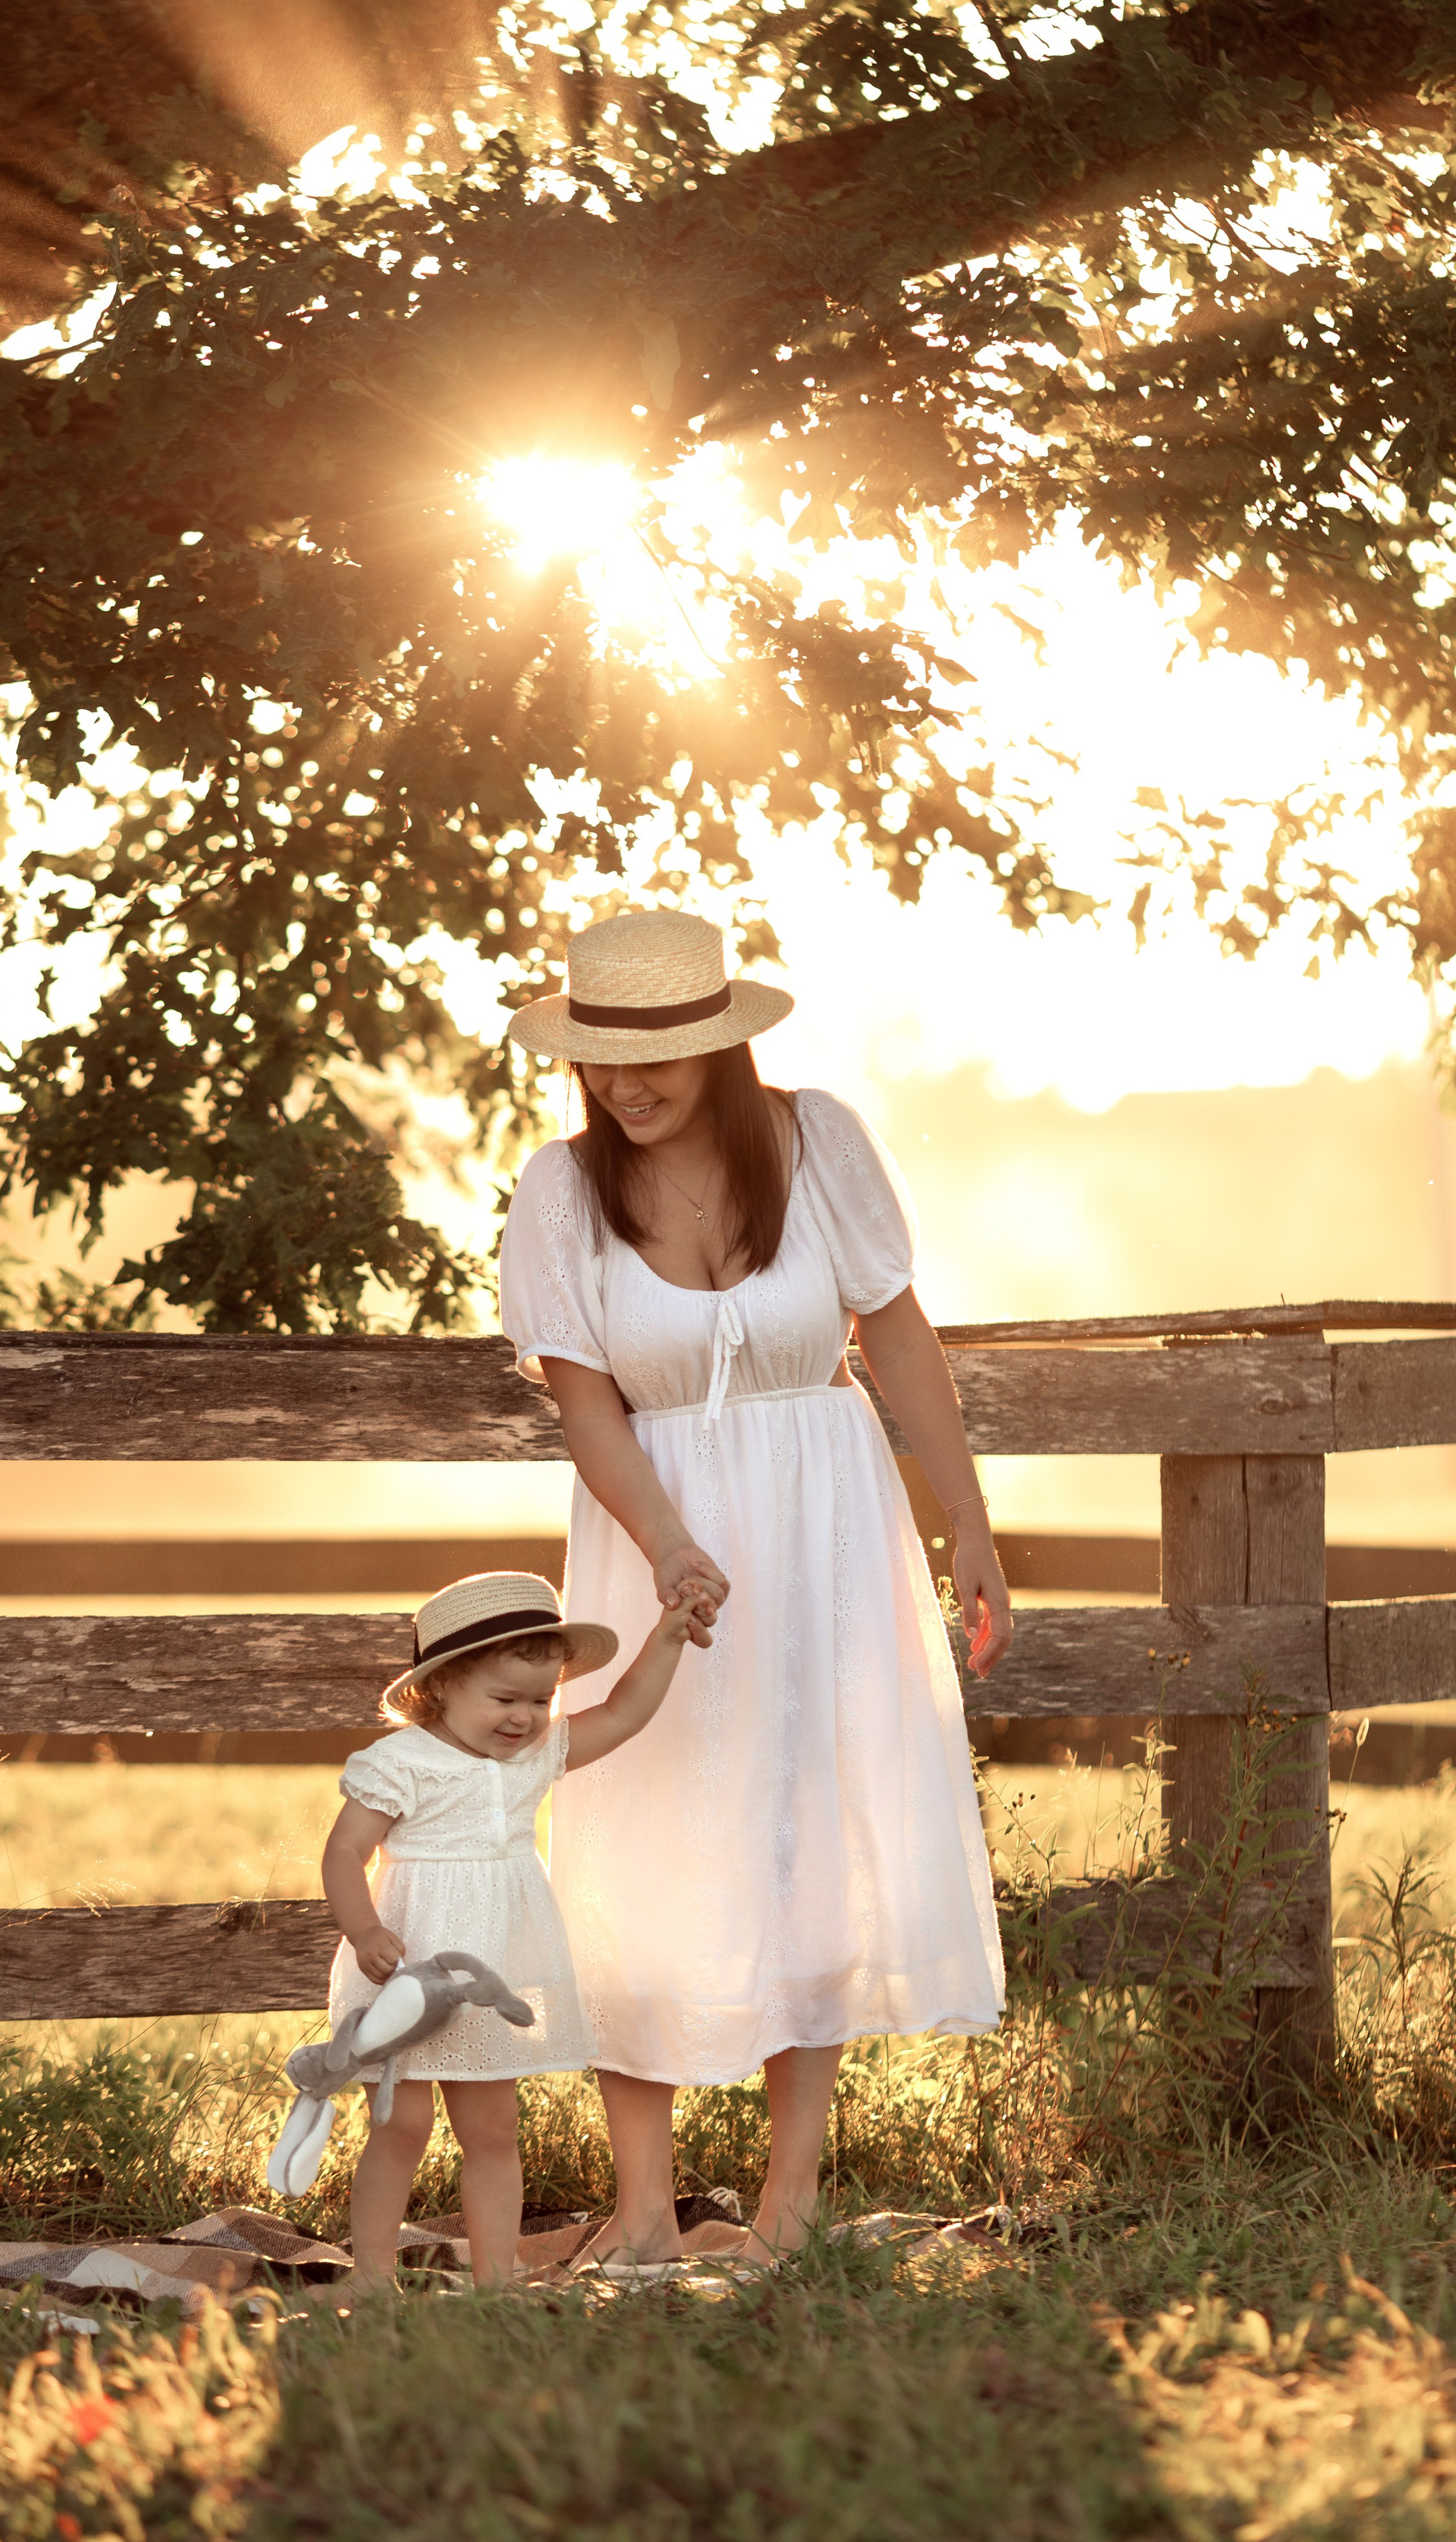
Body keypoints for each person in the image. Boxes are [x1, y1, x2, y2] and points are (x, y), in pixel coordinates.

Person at [498, 905, 1012, 2271]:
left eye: (657, 1051)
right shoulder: (559, 1192)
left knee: (805, 1825)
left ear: (718, 1043)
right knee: (640, 1820)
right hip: (653, 1534)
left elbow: (896, 1341)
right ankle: (646, 2208)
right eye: (600, 1057)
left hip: (826, 1521)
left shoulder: (816, 1141)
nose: (626, 1084)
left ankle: (788, 2204)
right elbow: (587, 1404)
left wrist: (964, 1523)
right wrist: (664, 1541)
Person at [321, 1566, 714, 2286]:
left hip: (487, 1979)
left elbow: (624, 1713)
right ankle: (371, 2275)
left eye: (541, 1700)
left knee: (494, 2131)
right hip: (405, 1975)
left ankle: (496, 2281)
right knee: (400, 2127)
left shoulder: (536, 1756)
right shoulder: (401, 1763)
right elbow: (345, 1850)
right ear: (439, 1688)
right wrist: (364, 1928)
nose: (524, 1718)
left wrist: (666, 1640)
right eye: (503, 1698)